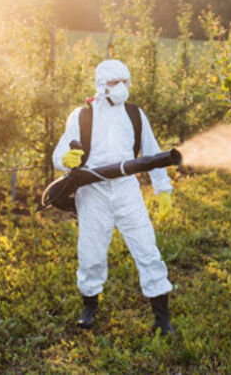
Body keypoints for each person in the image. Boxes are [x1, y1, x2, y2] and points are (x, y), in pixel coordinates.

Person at [52, 59, 175, 334]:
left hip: (127, 192)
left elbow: (153, 154)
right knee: (91, 253)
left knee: (147, 249)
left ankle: (161, 316)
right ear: (100, 85)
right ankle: (89, 306)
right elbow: (59, 152)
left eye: (125, 82)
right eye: (113, 82)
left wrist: (163, 189)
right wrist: (65, 158)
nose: (120, 87)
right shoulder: (81, 116)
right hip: (92, 193)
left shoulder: (135, 115)